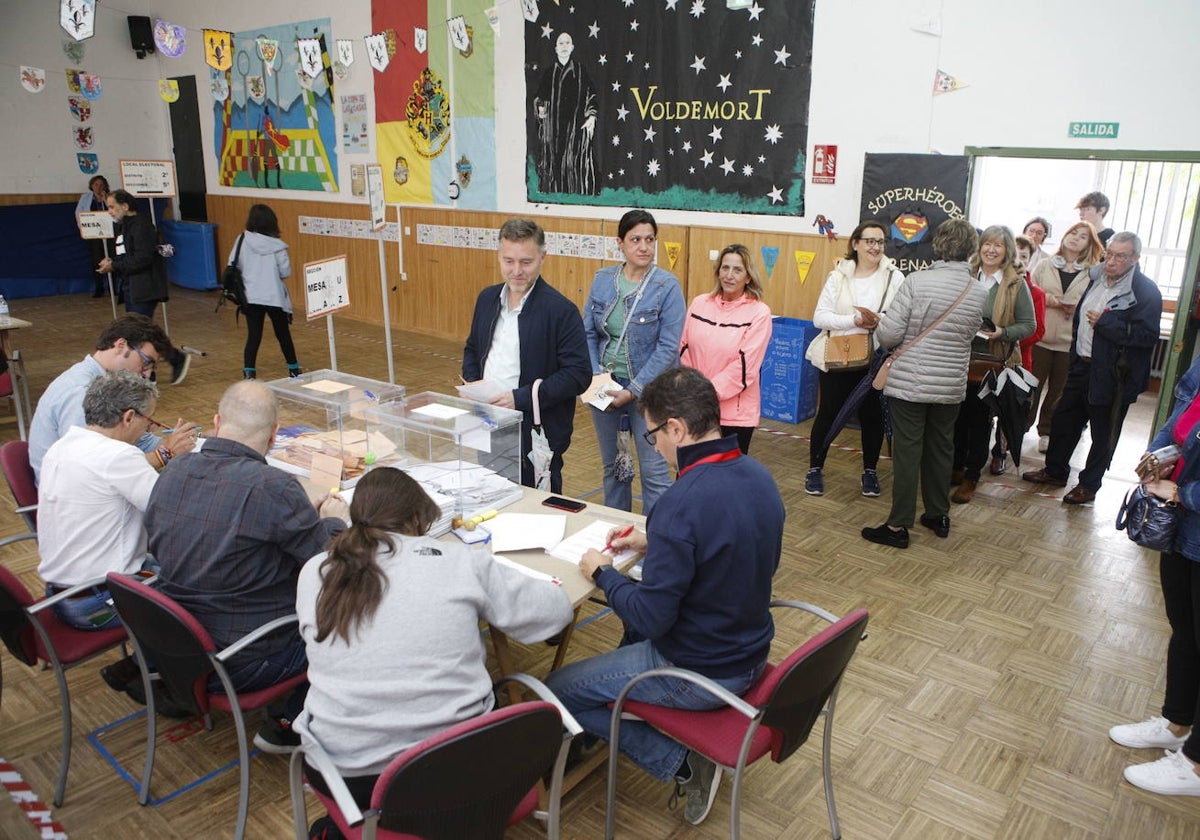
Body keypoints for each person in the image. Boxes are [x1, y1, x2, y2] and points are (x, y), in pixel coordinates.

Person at [546, 367, 784, 827]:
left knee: (557, 692)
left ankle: (681, 764)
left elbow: (652, 619)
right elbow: (727, 548)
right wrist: (657, 542)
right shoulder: (757, 475)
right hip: (750, 649)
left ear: (676, 428)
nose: (654, 446)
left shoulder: (681, 500)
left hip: (698, 669)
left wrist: (603, 572)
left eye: (653, 434)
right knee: (624, 641)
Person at [292, 468, 573, 834]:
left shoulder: (317, 571)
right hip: (464, 771)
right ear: (418, 520)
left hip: (348, 777)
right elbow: (554, 612)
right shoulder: (460, 561)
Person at [144, 380, 349, 750]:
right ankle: (292, 721)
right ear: (273, 436)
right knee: (351, 615)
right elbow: (327, 559)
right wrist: (335, 521)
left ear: (217, 421)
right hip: (245, 657)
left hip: (178, 646)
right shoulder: (274, 486)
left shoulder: (175, 468)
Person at [861, 219, 986, 548]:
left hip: (910, 382)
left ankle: (898, 526)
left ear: (938, 245)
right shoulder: (979, 290)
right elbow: (968, 336)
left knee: (907, 452)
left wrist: (882, 324)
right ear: (970, 250)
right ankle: (937, 513)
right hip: (951, 383)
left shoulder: (917, 281)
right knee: (942, 448)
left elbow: (889, 334)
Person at [1108, 354, 1200, 797]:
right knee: (1185, 630)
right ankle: (1178, 723)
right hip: (1183, 529)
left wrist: (1184, 491)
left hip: (1191, 509)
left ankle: (1196, 768)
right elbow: (1177, 419)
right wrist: (1156, 456)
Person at [1022, 232, 1162, 504]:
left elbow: (1147, 336)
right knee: (1064, 420)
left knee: (1103, 432)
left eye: (1120, 256)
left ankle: (1089, 484)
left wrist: (1107, 323)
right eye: (1109, 254)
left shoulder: (1145, 291)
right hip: (1081, 366)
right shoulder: (1096, 278)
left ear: (1135, 259)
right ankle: (1055, 471)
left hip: (1113, 376)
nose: (1111, 261)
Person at [462, 218, 591, 493]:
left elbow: (578, 374)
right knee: (490, 493)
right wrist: (474, 385)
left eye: (526, 262)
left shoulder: (561, 311)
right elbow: (473, 348)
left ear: (543, 257)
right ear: (498, 257)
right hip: (488, 419)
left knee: (536, 507)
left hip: (535, 431)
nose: (516, 271)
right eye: (509, 261)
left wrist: (519, 398)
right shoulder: (486, 299)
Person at [37, 371, 164, 631]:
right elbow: (170, 512)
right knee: (202, 592)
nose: (147, 429)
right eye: (148, 421)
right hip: (98, 602)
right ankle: (156, 668)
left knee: (169, 566)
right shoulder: (119, 456)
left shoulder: (62, 446)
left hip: (63, 593)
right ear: (128, 417)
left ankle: (142, 664)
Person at [584, 210, 685, 512]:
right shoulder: (602, 279)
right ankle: (617, 536)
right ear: (621, 243)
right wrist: (594, 377)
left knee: (654, 473)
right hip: (604, 388)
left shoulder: (667, 286)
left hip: (651, 392)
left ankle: (656, 543)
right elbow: (587, 332)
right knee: (615, 468)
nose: (644, 247)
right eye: (636, 239)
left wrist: (633, 390)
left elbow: (668, 348)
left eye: (650, 239)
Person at [27, 314, 199, 483]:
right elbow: (89, 469)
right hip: (72, 495)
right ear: (120, 345)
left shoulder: (110, 384)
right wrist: (163, 454)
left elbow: (140, 443)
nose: (147, 373)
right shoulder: (81, 391)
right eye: (146, 362)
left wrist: (191, 441)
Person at [804, 221, 904, 496]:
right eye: (869, 241)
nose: (875, 247)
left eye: (880, 241)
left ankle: (870, 471)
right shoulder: (838, 276)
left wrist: (879, 320)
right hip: (839, 356)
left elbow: (901, 319)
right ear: (856, 244)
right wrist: (855, 320)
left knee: (872, 417)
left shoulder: (895, 277)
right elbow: (819, 317)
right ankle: (815, 468)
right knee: (828, 413)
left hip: (876, 359)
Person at [949, 225, 1035, 504]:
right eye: (987, 244)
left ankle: (972, 476)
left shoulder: (1015, 283)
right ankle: (955, 466)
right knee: (956, 416)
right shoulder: (964, 275)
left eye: (998, 245)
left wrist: (1002, 332)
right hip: (958, 357)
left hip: (992, 363)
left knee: (980, 420)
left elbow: (1029, 325)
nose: (991, 249)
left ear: (1007, 251)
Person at [679, 244, 773, 455]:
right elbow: (684, 349)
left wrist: (705, 393)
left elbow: (745, 367)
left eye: (737, 270)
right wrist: (693, 392)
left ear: (748, 277)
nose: (729, 275)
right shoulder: (699, 304)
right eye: (725, 268)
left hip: (735, 417)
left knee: (725, 482)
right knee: (689, 476)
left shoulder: (759, 313)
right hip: (696, 409)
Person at [96, 189, 190, 385]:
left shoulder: (141, 226)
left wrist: (115, 265)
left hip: (146, 287)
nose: (110, 211)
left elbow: (143, 258)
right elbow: (127, 254)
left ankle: (156, 369)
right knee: (143, 332)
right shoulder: (124, 227)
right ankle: (166, 362)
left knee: (139, 334)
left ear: (125, 206)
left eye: (112, 207)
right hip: (132, 287)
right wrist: (112, 261)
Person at [1027, 221, 1105, 453]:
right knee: (1030, 388)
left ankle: (1047, 432)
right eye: (1073, 232)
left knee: (1059, 392)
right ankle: (1018, 428)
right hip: (1040, 338)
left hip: (1069, 342)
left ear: (1089, 244)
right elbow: (1031, 293)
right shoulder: (1044, 264)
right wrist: (1055, 302)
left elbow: (1096, 302)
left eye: (1082, 236)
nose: (1075, 238)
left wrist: (1077, 306)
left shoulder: (1093, 272)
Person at [987, 236, 1046, 475]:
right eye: (1015, 254)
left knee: (1008, 410)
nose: (1017, 260)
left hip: (1017, 358)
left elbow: (1037, 329)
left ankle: (1000, 452)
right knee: (986, 406)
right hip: (988, 356)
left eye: (1024, 256)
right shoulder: (991, 284)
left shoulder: (1034, 291)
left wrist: (1005, 334)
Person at [231, 204, 301, 380]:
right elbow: (285, 272)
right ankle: (293, 369)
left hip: (251, 296)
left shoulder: (242, 240)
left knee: (254, 335)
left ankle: (249, 373)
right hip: (274, 297)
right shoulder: (277, 246)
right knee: (283, 334)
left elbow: (233, 264)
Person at [533, 32, 599, 195]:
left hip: (575, 129)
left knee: (573, 163)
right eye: (560, 43)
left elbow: (592, 95)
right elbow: (539, 98)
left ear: (572, 47)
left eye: (567, 43)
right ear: (556, 48)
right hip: (553, 130)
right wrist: (540, 108)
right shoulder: (549, 73)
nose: (564, 46)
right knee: (553, 164)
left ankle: (576, 192)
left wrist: (591, 115)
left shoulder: (581, 72)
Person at [75, 174, 109, 298]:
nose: (98, 187)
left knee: (112, 259)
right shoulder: (86, 198)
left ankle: (114, 287)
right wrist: (82, 229)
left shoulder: (110, 197)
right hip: (94, 234)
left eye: (101, 185)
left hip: (109, 233)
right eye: (96, 185)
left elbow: (114, 210)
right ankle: (99, 288)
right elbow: (79, 213)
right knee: (97, 261)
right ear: (91, 186)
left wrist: (105, 199)